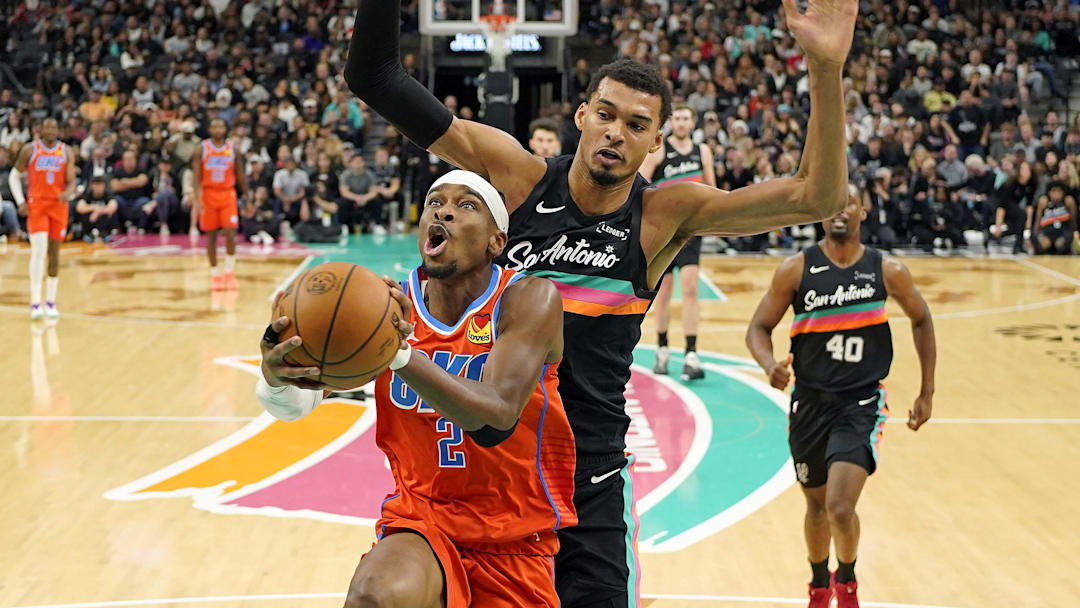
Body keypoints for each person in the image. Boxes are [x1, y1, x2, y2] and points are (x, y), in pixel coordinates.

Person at [344, 0, 855, 603]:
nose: (616, 132)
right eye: (606, 115)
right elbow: (375, 78)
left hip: (589, 481)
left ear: (654, 142)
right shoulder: (520, 180)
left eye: (636, 125)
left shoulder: (663, 217)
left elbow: (817, 198)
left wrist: (825, 68)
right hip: (496, 479)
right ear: (582, 115)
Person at [258, 170, 575, 607]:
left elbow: (496, 415)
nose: (443, 210)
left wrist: (400, 355)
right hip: (423, 518)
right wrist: (277, 375)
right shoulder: (383, 308)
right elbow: (294, 405)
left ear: (496, 241)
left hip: (515, 534)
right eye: (434, 202)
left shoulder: (528, 299)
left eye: (466, 205)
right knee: (376, 595)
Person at [745, 188, 936, 608]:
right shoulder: (796, 270)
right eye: (830, 203)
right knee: (815, 507)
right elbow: (758, 327)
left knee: (840, 507)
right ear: (819, 213)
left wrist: (927, 391)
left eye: (848, 201)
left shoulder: (887, 270)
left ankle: (846, 583)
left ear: (863, 211)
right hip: (809, 402)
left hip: (861, 403)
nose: (839, 210)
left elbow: (922, 319)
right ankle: (818, 586)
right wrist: (768, 364)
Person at [638, 103, 716, 380]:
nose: (682, 123)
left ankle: (692, 353)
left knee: (691, 289)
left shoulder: (702, 151)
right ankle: (662, 349)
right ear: (673, 122)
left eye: (687, 118)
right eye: (678, 118)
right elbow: (641, 183)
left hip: (691, 230)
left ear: (693, 123)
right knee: (664, 292)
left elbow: (711, 189)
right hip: (665, 230)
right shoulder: (661, 150)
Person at [9, 117, 77, 320]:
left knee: (54, 254)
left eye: (54, 128)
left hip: (58, 206)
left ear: (58, 131)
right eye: (47, 128)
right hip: (37, 206)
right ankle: (35, 302)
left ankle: (50, 302)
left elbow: (72, 182)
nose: (50, 131)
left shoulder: (66, 151)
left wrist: (68, 193)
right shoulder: (30, 150)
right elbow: (14, 175)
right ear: (40, 130)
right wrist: (21, 201)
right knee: (38, 251)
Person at [192, 118, 249, 291]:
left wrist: (247, 196)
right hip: (208, 195)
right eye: (214, 125)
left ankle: (229, 272)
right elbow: (196, 177)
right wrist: (197, 199)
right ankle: (215, 274)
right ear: (209, 129)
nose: (218, 128)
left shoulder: (233, 149)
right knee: (211, 237)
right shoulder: (201, 149)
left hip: (227, 194)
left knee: (230, 234)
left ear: (226, 128)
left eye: (221, 125)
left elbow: (240, 174)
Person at [1032, 181, 1077, 255]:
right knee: (1042, 245)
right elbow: (1038, 221)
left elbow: (1073, 221)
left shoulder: (1068, 201)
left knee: (1061, 245)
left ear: (1063, 192)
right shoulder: (1044, 201)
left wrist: (1074, 234)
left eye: (1059, 191)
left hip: (1062, 232)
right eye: (1053, 191)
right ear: (1049, 192)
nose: (1056, 194)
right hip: (1047, 231)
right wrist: (1035, 235)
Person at [74, 175, 120, 241]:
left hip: (103, 221)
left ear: (104, 185)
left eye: (100, 185)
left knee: (110, 213)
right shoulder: (87, 195)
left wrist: (98, 212)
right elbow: (79, 207)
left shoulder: (108, 194)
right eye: (96, 185)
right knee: (83, 214)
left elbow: (113, 206)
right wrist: (94, 208)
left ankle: (105, 233)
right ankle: (89, 233)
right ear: (92, 185)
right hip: (91, 221)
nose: (98, 187)